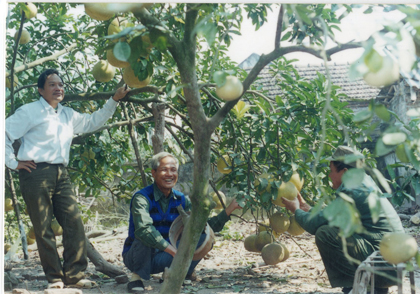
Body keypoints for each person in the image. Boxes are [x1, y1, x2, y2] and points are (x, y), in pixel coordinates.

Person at [5, 68, 130, 289]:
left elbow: (93, 122)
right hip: (35, 173)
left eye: (61, 84)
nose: (58, 88)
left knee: (74, 223)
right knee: (43, 228)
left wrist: (113, 100)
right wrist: (13, 162)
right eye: (52, 84)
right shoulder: (30, 111)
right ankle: (54, 278)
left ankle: (74, 274)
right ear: (41, 90)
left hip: (61, 174)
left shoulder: (67, 114)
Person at [282, 145, 404, 294]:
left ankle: (354, 288)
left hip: (385, 266)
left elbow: (315, 225)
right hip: (393, 264)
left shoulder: (353, 190)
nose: (329, 175)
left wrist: (296, 210)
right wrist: (308, 210)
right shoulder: (363, 183)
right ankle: (374, 289)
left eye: (331, 171)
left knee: (325, 234)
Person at [122, 152, 242, 293]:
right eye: (164, 170)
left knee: (203, 236)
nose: (169, 174)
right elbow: (143, 229)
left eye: (173, 170)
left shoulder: (181, 200)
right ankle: (136, 277)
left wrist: (229, 209)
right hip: (138, 257)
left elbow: (202, 225)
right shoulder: (142, 198)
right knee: (145, 233)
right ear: (153, 173)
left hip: (165, 256)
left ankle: (179, 273)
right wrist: (172, 250)